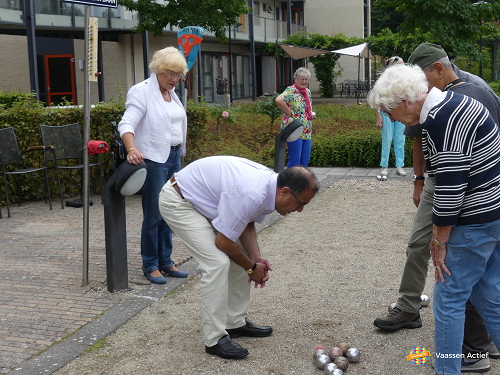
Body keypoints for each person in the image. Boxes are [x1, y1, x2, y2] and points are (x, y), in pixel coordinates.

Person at [373, 42, 500, 372]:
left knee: (448, 300)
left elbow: (451, 187)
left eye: (390, 113)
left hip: (478, 219)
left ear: (405, 101)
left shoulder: (443, 119)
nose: (395, 121)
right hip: (493, 212)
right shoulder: (454, 102)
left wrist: (439, 242)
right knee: (488, 295)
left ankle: (447, 369)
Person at [158, 156, 319, 359]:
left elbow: (246, 221)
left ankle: (234, 323)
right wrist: (251, 267)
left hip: (202, 200)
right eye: (300, 203)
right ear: (285, 192)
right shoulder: (252, 193)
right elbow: (223, 242)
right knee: (217, 263)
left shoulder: (270, 185)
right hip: (179, 201)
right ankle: (214, 339)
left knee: (239, 255)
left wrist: (256, 258)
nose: (300, 210)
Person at [118, 46, 189, 284]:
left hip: (173, 158)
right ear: (157, 70)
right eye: (170, 73)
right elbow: (126, 124)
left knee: (169, 210)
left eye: (178, 74)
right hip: (154, 160)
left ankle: (165, 261)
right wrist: (132, 149)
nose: (174, 79)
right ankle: (150, 264)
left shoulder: (172, 94)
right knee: (154, 214)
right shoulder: (142, 92)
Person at [275, 67, 316, 168]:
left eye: (306, 79)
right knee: (295, 160)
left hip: (306, 130)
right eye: (302, 79)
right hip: (294, 129)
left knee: (305, 160)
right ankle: (291, 182)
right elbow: (279, 100)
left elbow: (306, 108)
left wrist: (311, 113)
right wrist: (287, 110)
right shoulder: (291, 90)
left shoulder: (307, 92)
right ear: (296, 79)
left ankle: (301, 183)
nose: (304, 81)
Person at [375, 56, 406, 177]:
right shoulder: (383, 80)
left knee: (400, 140)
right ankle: (384, 166)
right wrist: (379, 115)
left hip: (401, 113)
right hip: (386, 112)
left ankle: (400, 166)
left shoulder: (405, 80)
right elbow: (376, 99)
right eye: (400, 65)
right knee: (386, 140)